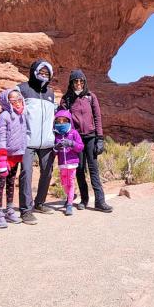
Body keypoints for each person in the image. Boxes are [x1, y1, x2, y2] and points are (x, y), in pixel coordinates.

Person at [59, 69, 113, 213]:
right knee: (80, 169)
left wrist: (100, 139)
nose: (78, 84)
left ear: (84, 82)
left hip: (91, 137)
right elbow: (62, 118)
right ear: (71, 83)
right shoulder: (66, 99)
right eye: (76, 81)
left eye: (81, 81)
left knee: (93, 169)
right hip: (76, 139)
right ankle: (84, 200)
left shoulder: (90, 97)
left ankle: (100, 201)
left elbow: (97, 117)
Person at [18, 59, 57, 224]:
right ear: (34, 71)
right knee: (26, 173)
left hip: (47, 141)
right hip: (27, 141)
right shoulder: (22, 89)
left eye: (47, 73)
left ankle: (40, 203)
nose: (44, 75)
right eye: (41, 71)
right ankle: (25, 210)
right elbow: (12, 108)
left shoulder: (50, 93)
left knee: (47, 172)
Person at [0, 88, 26, 228]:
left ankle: (10, 209)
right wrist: (1, 158)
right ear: (7, 102)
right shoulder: (4, 116)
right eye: (13, 101)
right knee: (1, 183)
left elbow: (24, 132)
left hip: (16, 154)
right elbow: (1, 138)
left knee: (11, 182)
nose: (17, 103)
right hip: (5, 156)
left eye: (19, 99)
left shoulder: (22, 114)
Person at [52, 110, 84, 216]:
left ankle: (69, 204)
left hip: (72, 163)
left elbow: (80, 147)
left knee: (70, 182)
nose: (61, 123)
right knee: (64, 183)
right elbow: (54, 152)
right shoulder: (56, 135)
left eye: (64, 121)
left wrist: (71, 143)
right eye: (59, 121)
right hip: (62, 164)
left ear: (69, 121)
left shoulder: (73, 133)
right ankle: (71, 195)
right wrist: (56, 148)